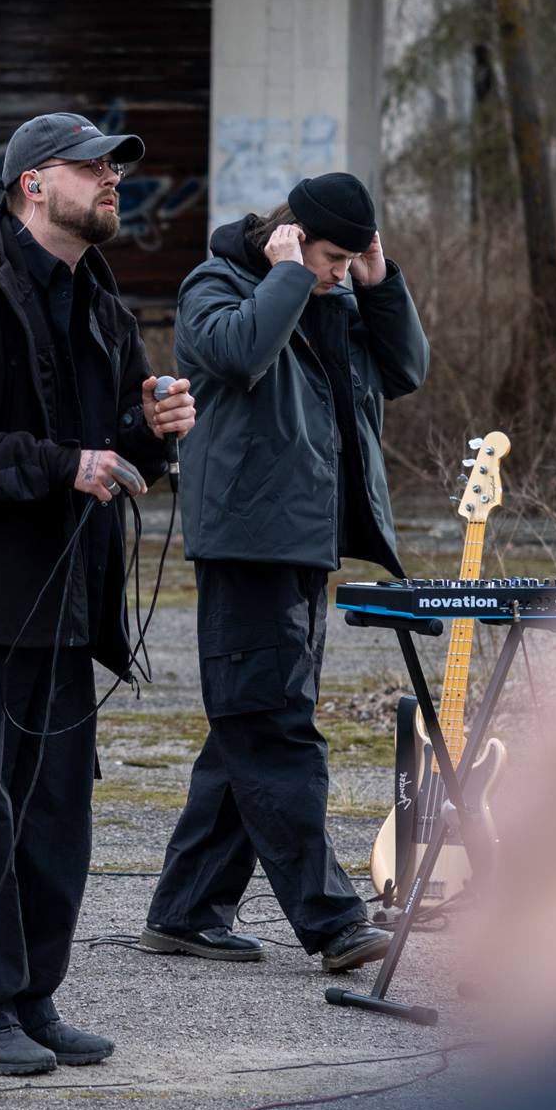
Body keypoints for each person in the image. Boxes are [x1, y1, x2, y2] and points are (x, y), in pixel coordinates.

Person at [0, 112, 197, 1075]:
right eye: (91, 165)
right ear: (32, 184)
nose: (111, 179)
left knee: (54, 824)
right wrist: (67, 464)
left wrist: (152, 431)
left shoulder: (103, 308)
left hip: (61, 617)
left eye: (116, 167)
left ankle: (30, 1000)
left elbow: (112, 448)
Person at [142, 172, 427, 973]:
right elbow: (238, 354)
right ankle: (333, 920)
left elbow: (403, 369)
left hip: (304, 541)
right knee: (275, 730)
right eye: (333, 257)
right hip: (247, 541)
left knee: (250, 721)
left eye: (348, 261)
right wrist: (292, 275)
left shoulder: (333, 296)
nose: (339, 273)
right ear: (293, 236)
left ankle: (187, 908)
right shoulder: (216, 285)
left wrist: (379, 280)